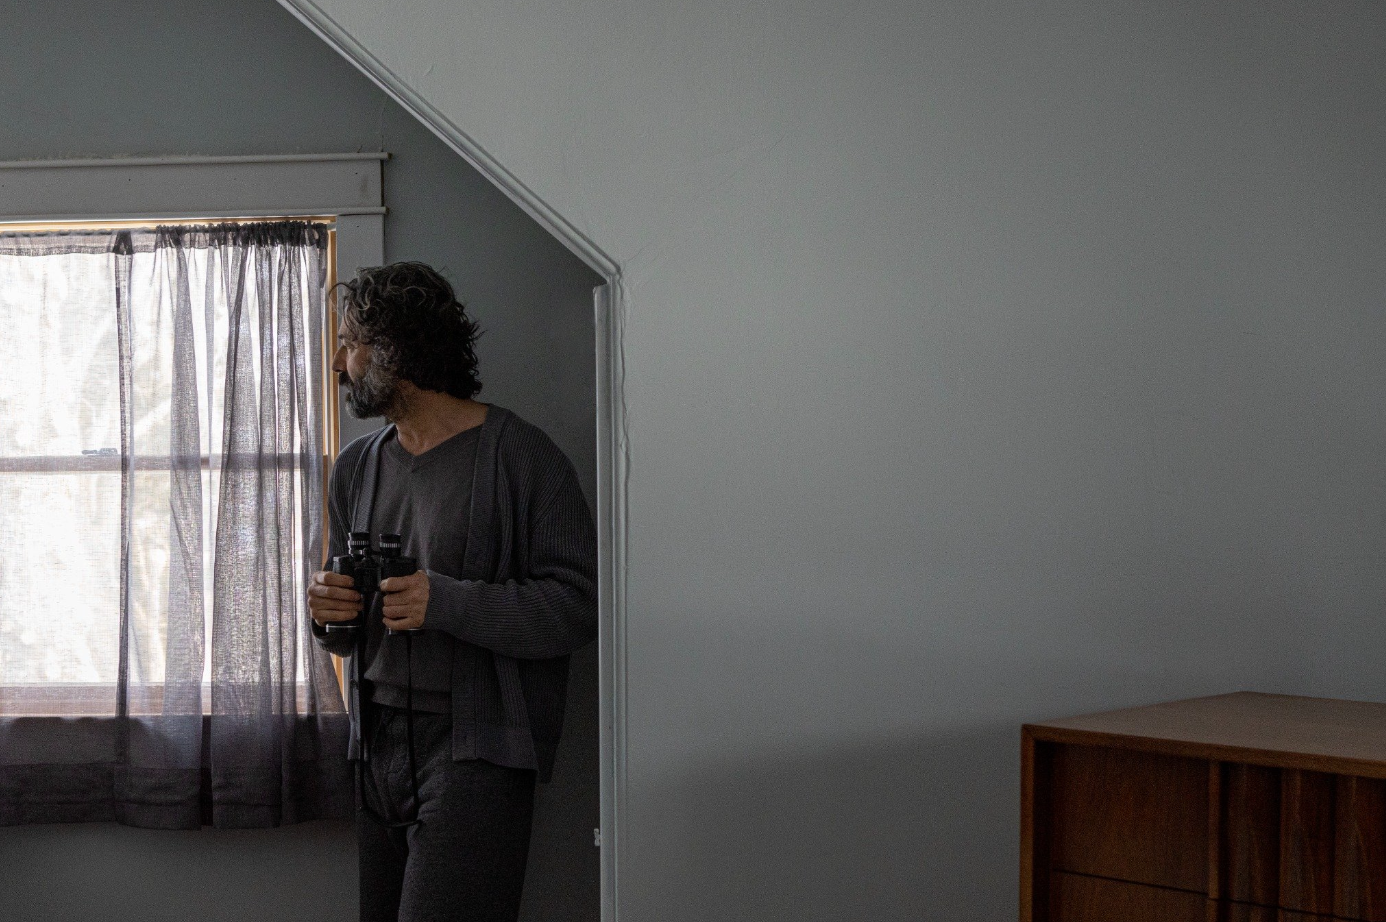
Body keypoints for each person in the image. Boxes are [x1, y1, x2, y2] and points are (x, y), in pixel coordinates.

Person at [307, 261, 598, 922]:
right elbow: (347, 632)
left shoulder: (522, 457)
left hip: (476, 754)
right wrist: (328, 615)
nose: (339, 364)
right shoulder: (355, 467)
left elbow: (576, 605)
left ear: (397, 351)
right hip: (374, 743)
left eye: (350, 343)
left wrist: (446, 603)